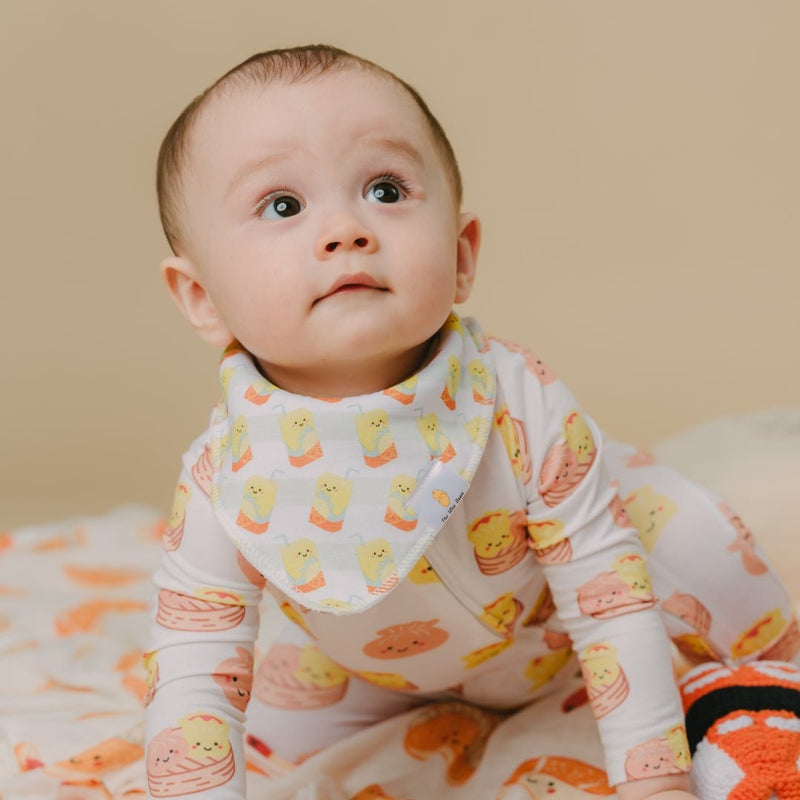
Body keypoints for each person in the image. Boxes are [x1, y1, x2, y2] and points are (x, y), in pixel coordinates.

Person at [144, 44, 798, 800]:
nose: (346, 228)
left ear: (460, 256)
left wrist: (657, 783)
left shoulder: (521, 403)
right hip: (384, 664)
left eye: (386, 190)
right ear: (201, 299)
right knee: (264, 736)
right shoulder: (226, 476)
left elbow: (609, 600)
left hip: (550, 627)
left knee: (700, 545)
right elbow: (194, 664)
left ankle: (769, 664)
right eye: (283, 206)